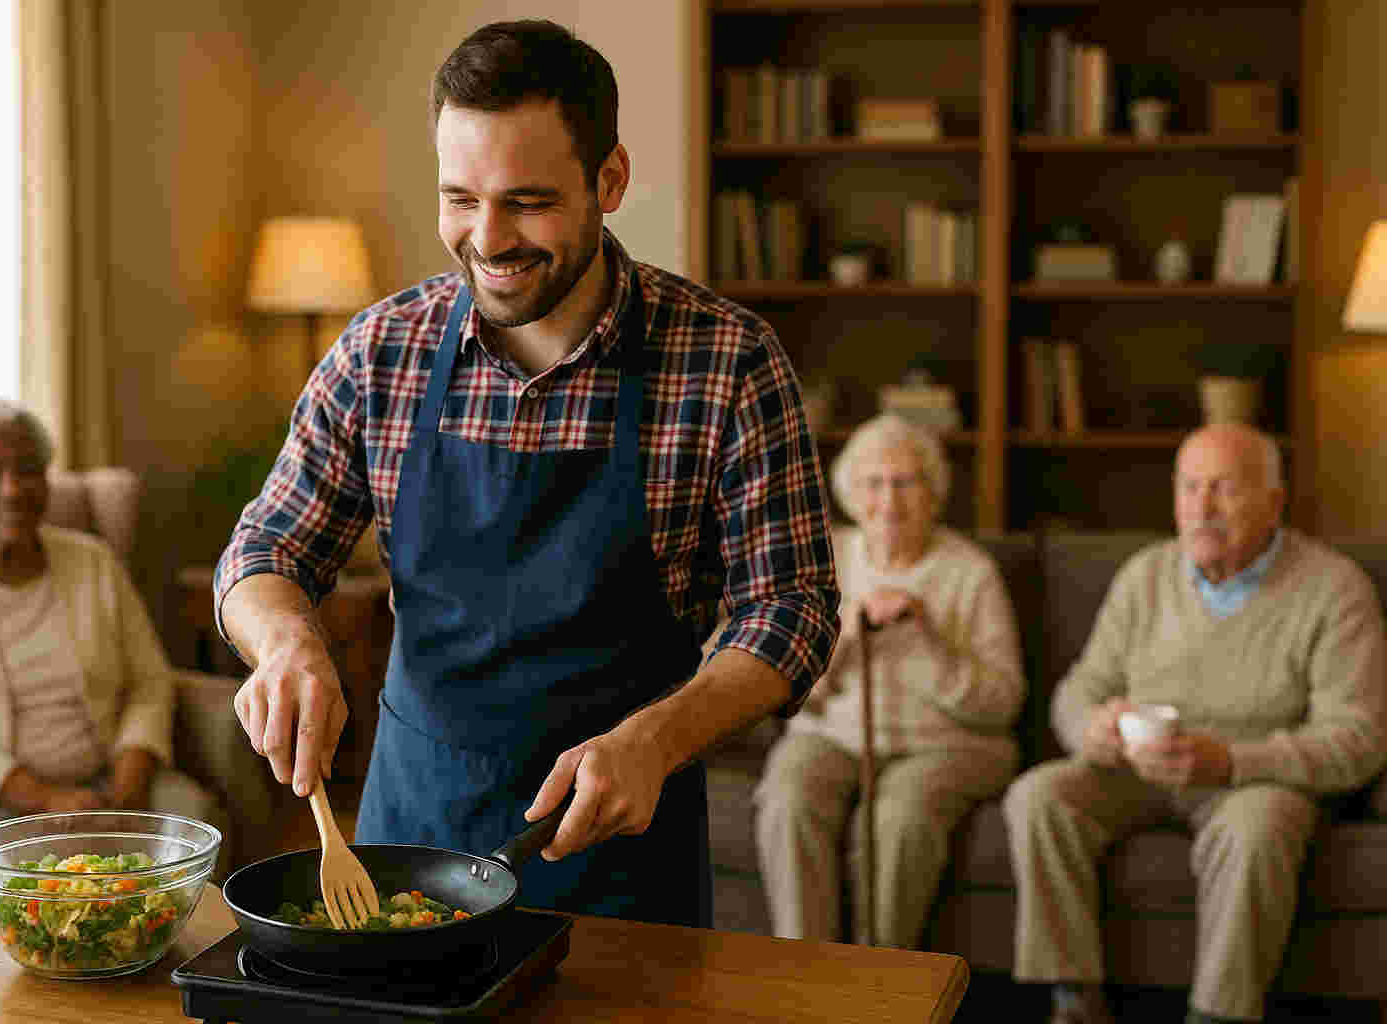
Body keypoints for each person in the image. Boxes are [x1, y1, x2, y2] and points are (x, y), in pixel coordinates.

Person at [213, 19, 839, 927]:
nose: (488, 238)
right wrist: (286, 644)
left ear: (609, 181)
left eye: (528, 202)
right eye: (460, 199)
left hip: (623, 865)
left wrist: (659, 738)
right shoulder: (380, 352)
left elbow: (792, 608)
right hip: (407, 855)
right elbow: (267, 548)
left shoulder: (727, 360)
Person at [1004, 423, 1387, 1024]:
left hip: (1254, 779)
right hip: (1140, 769)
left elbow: (1359, 740)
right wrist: (1090, 727)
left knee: (1256, 829)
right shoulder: (1145, 575)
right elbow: (1079, 689)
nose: (1202, 507)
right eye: (1189, 488)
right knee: (1038, 796)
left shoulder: (1335, 589)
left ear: (1275, 502)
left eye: (1224, 489)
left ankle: (1218, 1015)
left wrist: (1230, 761)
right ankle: (1074, 1000)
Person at [0, 399, 226, 839]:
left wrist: (129, 788)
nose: (13, 490)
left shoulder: (93, 560)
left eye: (28, 470)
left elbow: (149, 682)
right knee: (37, 861)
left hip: (111, 782)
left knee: (194, 828)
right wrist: (44, 797)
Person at [753, 414, 1024, 947]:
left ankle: (881, 977)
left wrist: (928, 641)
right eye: (873, 484)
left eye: (905, 483)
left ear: (933, 493)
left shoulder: (970, 572)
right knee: (788, 796)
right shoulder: (824, 560)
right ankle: (801, 969)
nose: (889, 501)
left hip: (943, 746)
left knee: (898, 819)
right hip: (832, 737)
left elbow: (1002, 702)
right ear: (851, 494)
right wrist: (846, 634)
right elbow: (788, 687)